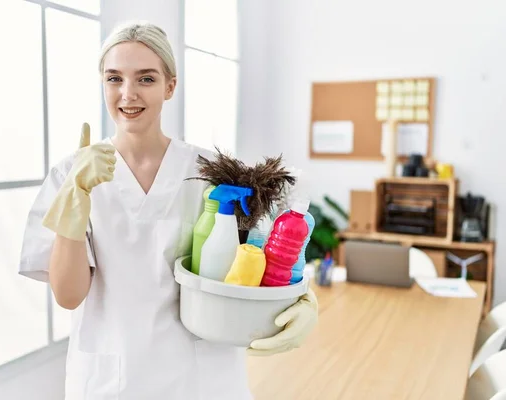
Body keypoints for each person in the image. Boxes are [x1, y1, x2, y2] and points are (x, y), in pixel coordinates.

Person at [18, 21, 318, 400]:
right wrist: (75, 200)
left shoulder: (211, 171)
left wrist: (305, 299)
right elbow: (69, 295)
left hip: (200, 375)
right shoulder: (72, 173)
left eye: (146, 79)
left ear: (169, 86)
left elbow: (269, 252)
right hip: (112, 378)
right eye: (114, 79)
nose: (128, 94)